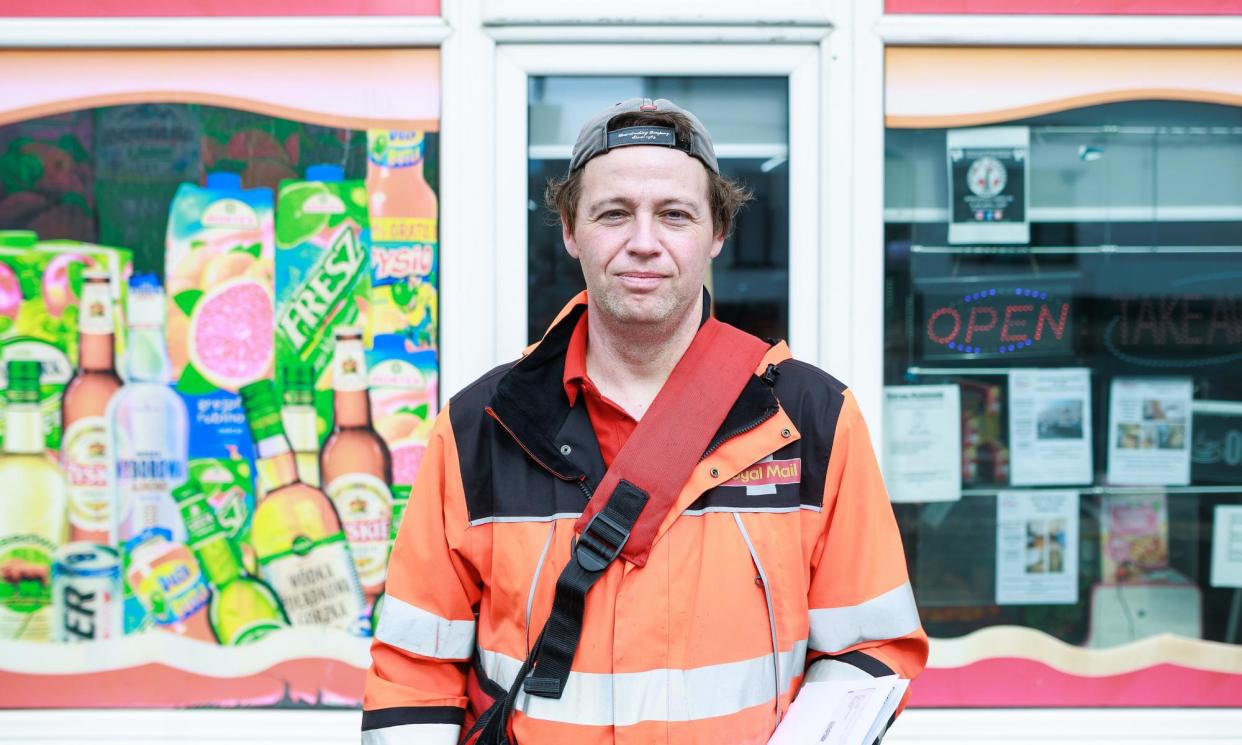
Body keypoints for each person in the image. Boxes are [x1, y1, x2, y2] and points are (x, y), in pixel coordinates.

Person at [362, 98, 928, 745]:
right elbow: (414, 668)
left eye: (674, 215)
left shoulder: (812, 420)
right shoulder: (479, 427)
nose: (643, 242)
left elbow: (872, 650)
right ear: (572, 230)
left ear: (717, 233)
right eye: (613, 213)